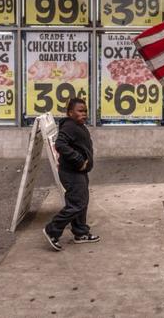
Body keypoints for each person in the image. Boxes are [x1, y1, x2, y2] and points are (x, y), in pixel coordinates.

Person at [43, 98, 100, 251]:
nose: (84, 114)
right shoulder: (69, 126)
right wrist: (79, 160)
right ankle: (52, 230)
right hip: (72, 173)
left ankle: (80, 232)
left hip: (79, 172)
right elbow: (60, 144)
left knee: (82, 201)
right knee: (77, 204)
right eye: (80, 111)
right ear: (70, 113)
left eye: (85, 111)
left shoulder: (77, 125)